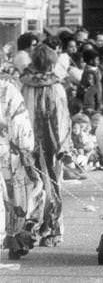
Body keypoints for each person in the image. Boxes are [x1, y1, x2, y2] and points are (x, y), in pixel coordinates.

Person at [18, 44, 72, 247]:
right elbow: (63, 120)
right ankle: (51, 230)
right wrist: (65, 147)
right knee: (52, 186)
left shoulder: (24, 84)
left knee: (31, 186)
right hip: (50, 145)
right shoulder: (56, 87)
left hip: (30, 144)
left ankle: (34, 229)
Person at [0, 63, 43, 259]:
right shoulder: (7, 89)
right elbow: (20, 123)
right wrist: (26, 147)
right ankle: (14, 241)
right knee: (13, 199)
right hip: (6, 153)